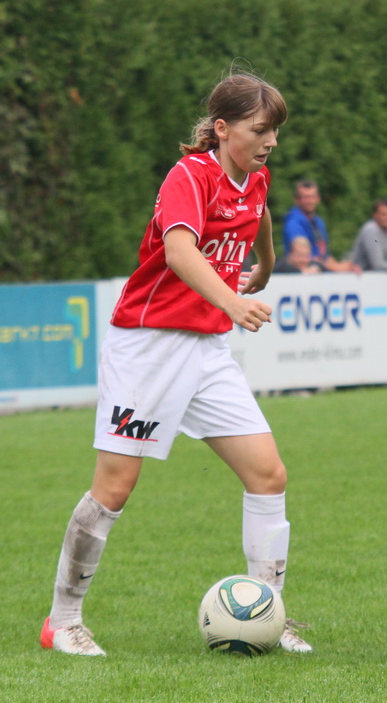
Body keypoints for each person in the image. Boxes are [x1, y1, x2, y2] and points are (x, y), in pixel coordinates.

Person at [39, 72, 313, 657]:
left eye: (275, 131)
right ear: (223, 128)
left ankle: (268, 613)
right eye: (259, 129)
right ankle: (62, 621)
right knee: (115, 487)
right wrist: (234, 301)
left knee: (268, 475)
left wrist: (265, 266)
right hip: (147, 346)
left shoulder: (255, 176)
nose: (270, 141)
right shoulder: (188, 176)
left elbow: (259, 213)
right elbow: (180, 251)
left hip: (206, 351)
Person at [281, 180, 359, 273]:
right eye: (305, 197)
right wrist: (336, 267)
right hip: (304, 274)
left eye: (312, 196)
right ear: (297, 200)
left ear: (318, 198)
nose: (310, 201)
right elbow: (302, 258)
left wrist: (342, 266)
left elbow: (324, 255)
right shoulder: (293, 223)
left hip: (320, 272)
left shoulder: (318, 221)